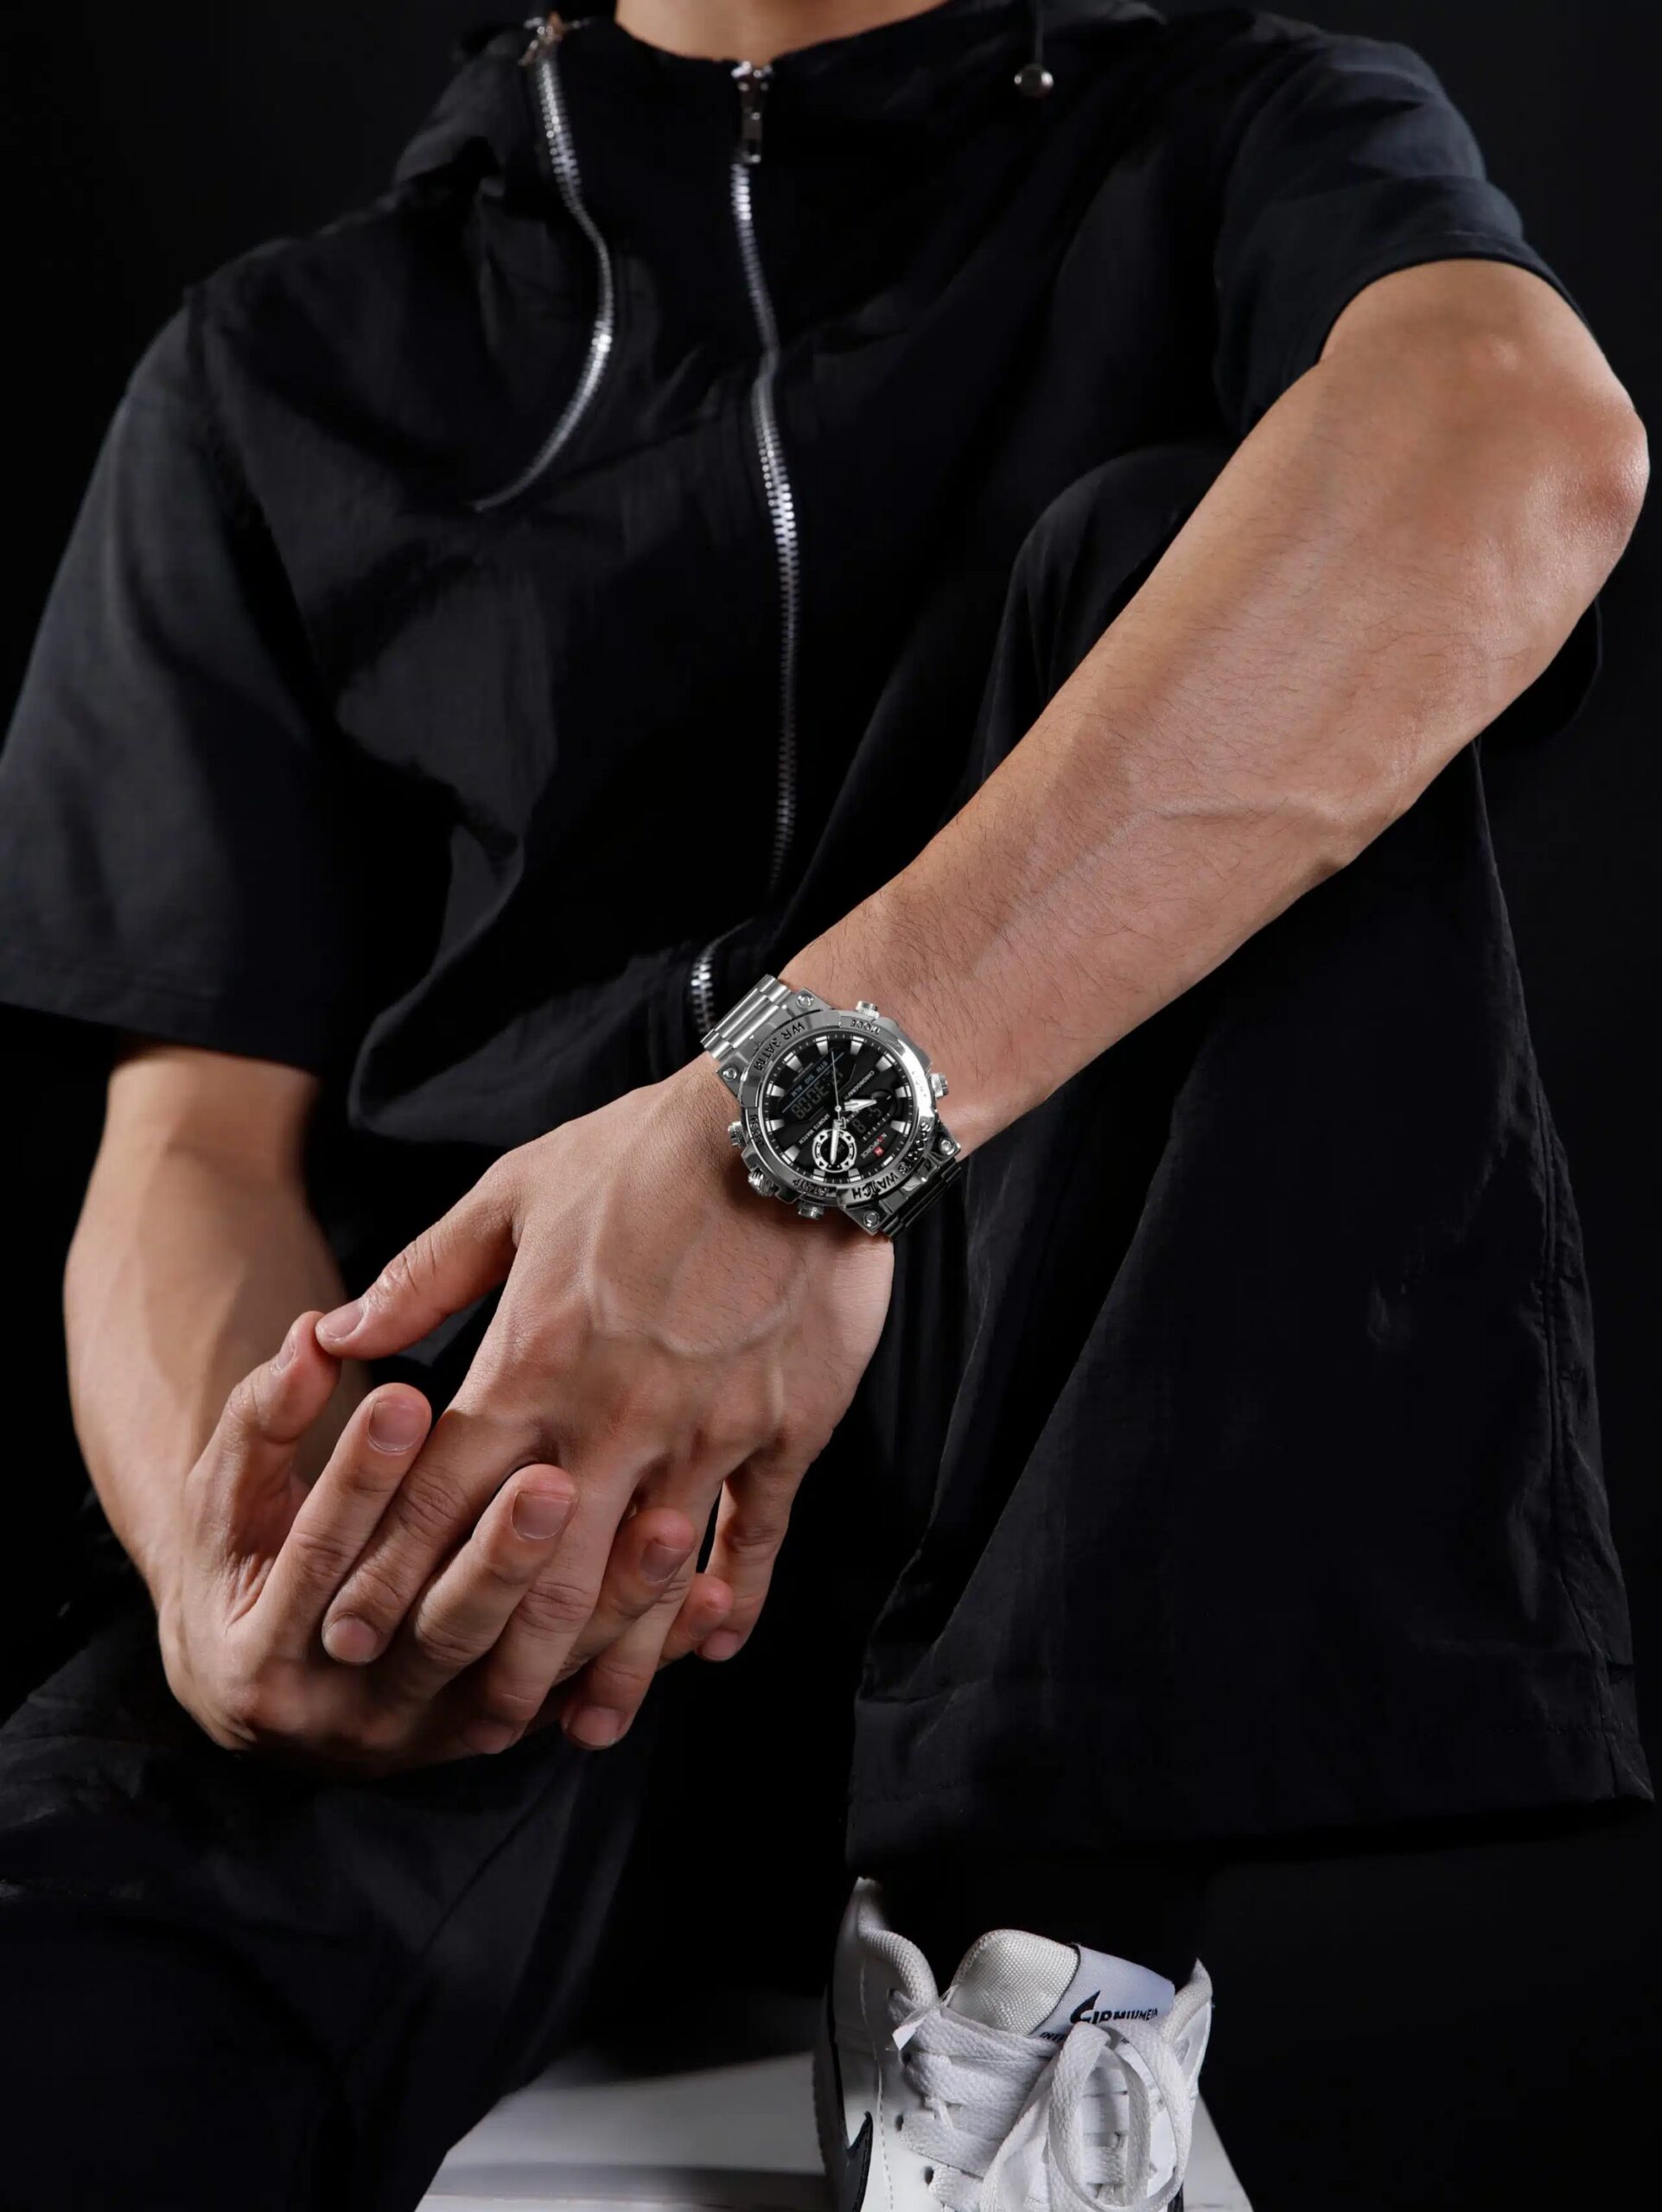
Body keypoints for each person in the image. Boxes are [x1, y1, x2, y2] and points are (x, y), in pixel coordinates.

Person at [0, 0, 1648, 2205]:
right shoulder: (272, 366)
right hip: (503, 1536)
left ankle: (1046, 1975)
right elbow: (193, 1134)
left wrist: (771, 1139)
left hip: (1053, 1565)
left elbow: (1510, 441)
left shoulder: (1249, 136)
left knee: (1224, 538)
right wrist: (239, 1563)